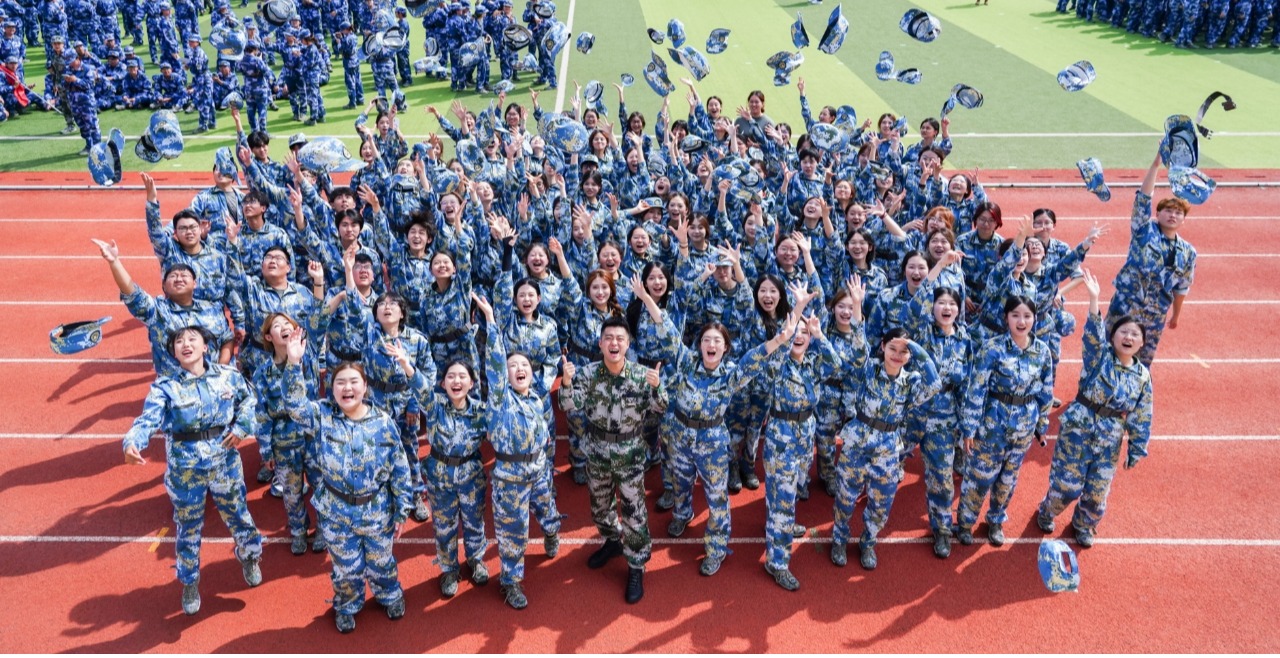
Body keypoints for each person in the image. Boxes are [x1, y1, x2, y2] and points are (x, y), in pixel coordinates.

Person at [122, 326, 264, 615]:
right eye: (179, 341)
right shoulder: (165, 387)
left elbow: (249, 401)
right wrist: (132, 442)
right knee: (188, 525)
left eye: (192, 339)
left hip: (223, 461)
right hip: (185, 469)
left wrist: (241, 427)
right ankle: (189, 581)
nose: (185, 344)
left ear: (205, 347)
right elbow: (148, 420)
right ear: (174, 352)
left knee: (238, 514)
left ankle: (250, 556)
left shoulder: (228, 376)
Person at [282, 334, 413, 634]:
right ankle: (347, 605)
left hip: (376, 509)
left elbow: (399, 467)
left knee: (381, 560)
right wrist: (293, 363)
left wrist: (402, 508)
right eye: (340, 382)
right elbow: (294, 405)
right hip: (336, 510)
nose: (347, 388)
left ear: (365, 387)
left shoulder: (383, 422)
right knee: (346, 568)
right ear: (332, 389)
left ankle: (389, 595)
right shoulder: (322, 416)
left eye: (354, 381)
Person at [660, 316, 797, 576]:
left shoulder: (731, 374)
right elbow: (666, 329)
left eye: (717, 341)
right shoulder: (687, 362)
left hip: (711, 444)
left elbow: (755, 358)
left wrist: (780, 339)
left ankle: (716, 548)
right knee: (680, 482)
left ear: (725, 347)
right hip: (680, 437)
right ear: (700, 345)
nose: (711, 345)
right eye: (706, 340)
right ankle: (682, 514)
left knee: (716, 498)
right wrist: (645, 298)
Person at [829, 278, 942, 570]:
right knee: (845, 497)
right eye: (893, 348)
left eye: (903, 352)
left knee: (881, 503)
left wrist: (915, 347)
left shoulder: (911, 381)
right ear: (882, 346)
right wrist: (857, 304)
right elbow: (857, 343)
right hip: (858, 443)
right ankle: (839, 538)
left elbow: (934, 384)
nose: (897, 355)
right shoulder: (867, 370)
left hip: (888, 449)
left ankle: (868, 541)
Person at [1036, 271, 1153, 547]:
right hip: (1079, 428)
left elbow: (1142, 414)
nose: (1128, 337)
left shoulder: (1142, 377)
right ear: (1113, 337)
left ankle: (1084, 524)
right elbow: (1092, 336)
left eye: (1134, 334)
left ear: (1141, 343)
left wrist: (1136, 448)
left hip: (1109, 438)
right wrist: (1094, 300)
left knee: (1097, 491)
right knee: (1067, 486)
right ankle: (1047, 510)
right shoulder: (1099, 356)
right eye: (1123, 331)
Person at [559, 317, 667, 604]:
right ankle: (611, 541)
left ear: (628, 344)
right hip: (597, 451)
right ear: (600, 343)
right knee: (600, 506)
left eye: (620, 338)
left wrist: (657, 388)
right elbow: (569, 404)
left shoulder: (641, 375)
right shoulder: (588, 374)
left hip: (629, 454)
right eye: (608, 338)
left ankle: (636, 565)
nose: (614, 343)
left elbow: (661, 407)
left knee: (633, 511)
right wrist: (566, 382)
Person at [472, 291, 563, 610]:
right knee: (514, 533)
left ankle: (552, 532)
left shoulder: (537, 399)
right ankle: (510, 582)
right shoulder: (500, 399)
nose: (519, 368)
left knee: (548, 513)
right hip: (510, 478)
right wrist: (491, 321)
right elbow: (495, 365)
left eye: (524, 364)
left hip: (538, 471)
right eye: (513, 366)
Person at [955, 295, 1055, 547]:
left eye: (1027, 316)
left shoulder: (1042, 352)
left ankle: (996, 520)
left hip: (1023, 429)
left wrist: (1042, 424)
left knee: (1007, 480)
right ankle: (965, 523)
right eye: (1015, 315)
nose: (1021, 321)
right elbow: (976, 390)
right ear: (1006, 318)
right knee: (978, 478)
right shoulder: (992, 349)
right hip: (992, 427)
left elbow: (1046, 391)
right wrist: (969, 429)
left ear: (1034, 319)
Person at [759, 312, 839, 590]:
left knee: (790, 489)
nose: (799, 337)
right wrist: (788, 330)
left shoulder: (814, 362)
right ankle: (777, 563)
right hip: (782, 437)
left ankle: (777, 522)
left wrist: (820, 335)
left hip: (805, 434)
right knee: (783, 498)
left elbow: (836, 364)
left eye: (804, 333)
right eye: (795, 332)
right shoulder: (778, 362)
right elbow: (773, 355)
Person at [1107, 147, 1197, 365]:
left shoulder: (1188, 252)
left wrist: (1175, 315)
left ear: (1184, 219)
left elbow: (1181, 288)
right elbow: (1143, 198)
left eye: (1178, 213)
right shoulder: (1144, 230)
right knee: (1108, 353)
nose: (1173, 215)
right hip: (1125, 306)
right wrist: (1156, 164)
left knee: (1142, 362)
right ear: (1158, 214)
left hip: (1155, 315)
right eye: (1168, 211)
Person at [92, 237, 233, 376]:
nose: (179, 279)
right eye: (173, 276)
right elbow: (133, 293)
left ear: (194, 283)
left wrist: (219, 371)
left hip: (212, 384)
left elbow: (227, 339)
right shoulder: (157, 311)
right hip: (175, 387)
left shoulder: (211, 308)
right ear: (164, 286)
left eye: (184, 275)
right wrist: (114, 262)